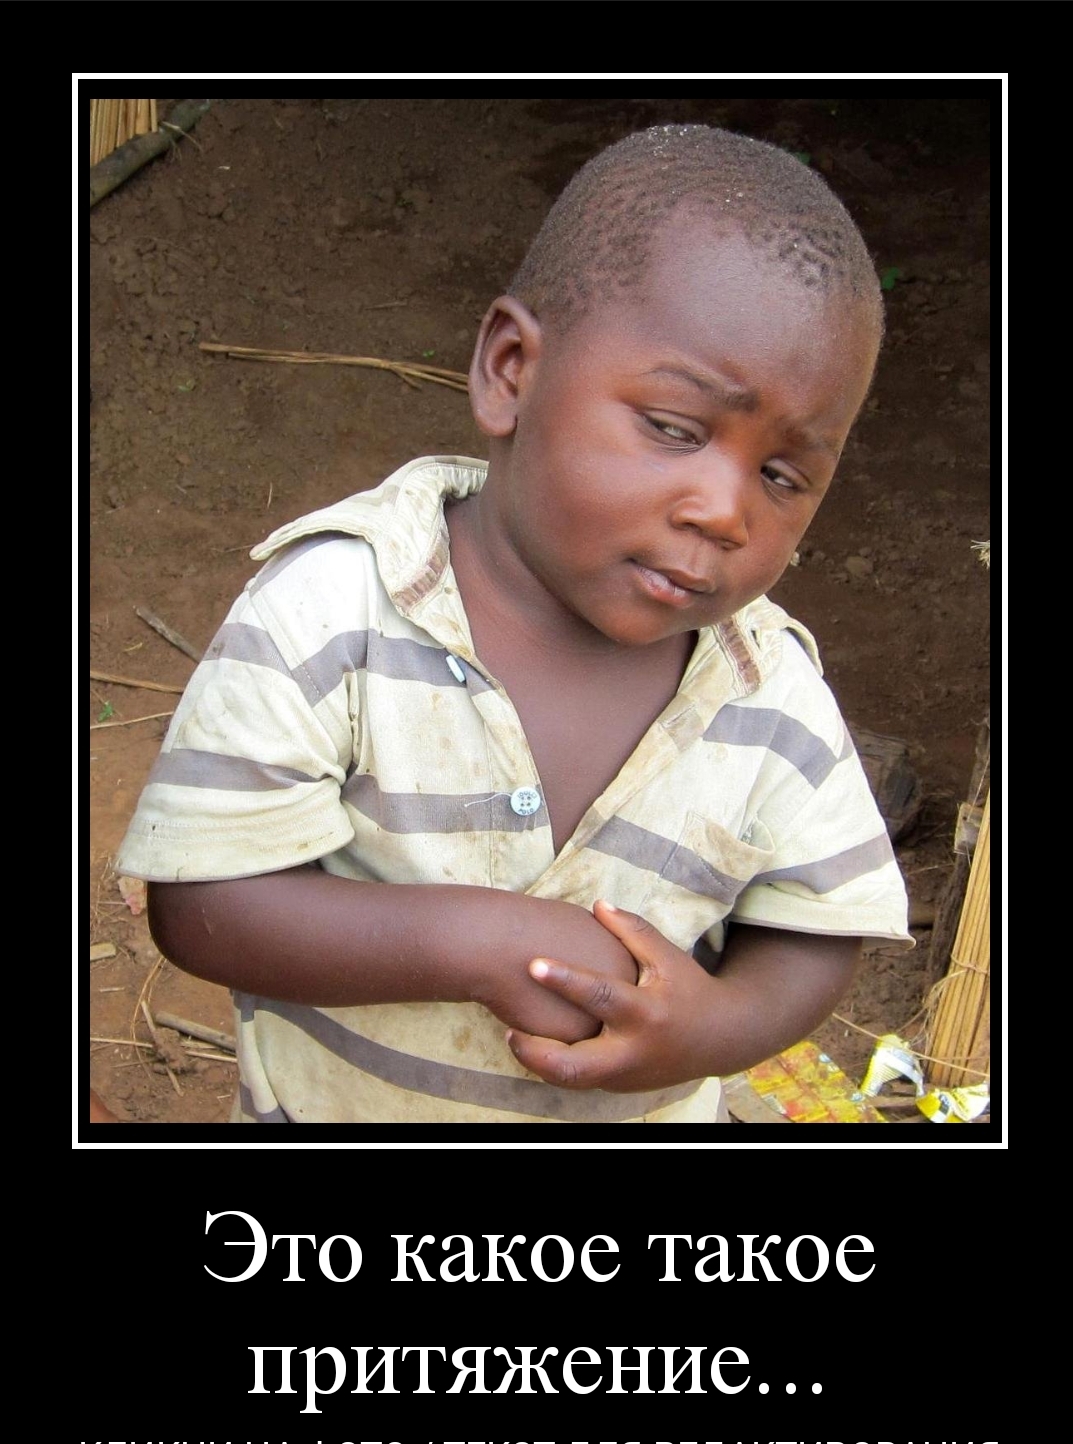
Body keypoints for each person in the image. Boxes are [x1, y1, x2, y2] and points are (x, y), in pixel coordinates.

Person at [114, 124, 911, 1125]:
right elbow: (203, 904)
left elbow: (812, 933)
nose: (724, 510)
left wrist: (713, 1026)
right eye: (674, 429)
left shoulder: (769, 693)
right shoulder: (333, 612)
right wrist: (477, 944)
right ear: (510, 370)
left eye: (782, 476)